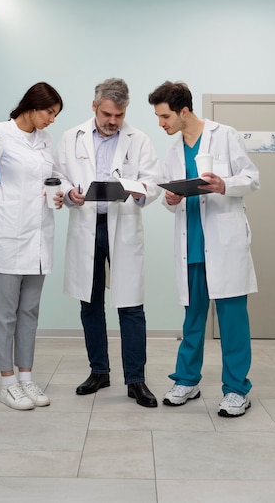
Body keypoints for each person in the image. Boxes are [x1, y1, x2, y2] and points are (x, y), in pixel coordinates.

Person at [148, 80, 259, 417]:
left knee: (232, 321)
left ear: (184, 111)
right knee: (192, 319)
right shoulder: (172, 152)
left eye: (165, 116)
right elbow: (172, 203)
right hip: (191, 246)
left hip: (224, 244)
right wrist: (170, 199)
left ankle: (237, 390)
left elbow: (251, 178)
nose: (161, 123)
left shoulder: (225, 136)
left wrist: (226, 184)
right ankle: (186, 380)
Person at [54, 78, 162, 408]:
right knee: (90, 302)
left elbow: (153, 181)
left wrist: (138, 189)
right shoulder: (71, 137)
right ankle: (99, 371)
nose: (113, 121)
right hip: (88, 224)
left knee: (131, 307)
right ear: (94, 106)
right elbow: (60, 176)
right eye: (107, 114)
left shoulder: (138, 139)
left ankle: (136, 380)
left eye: (119, 114)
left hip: (123, 224)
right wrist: (71, 192)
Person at [0, 81, 64, 410]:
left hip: (39, 237)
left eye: (55, 115)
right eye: (49, 113)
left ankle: (26, 378)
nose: (52, 120)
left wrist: (60, 193)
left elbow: (52, 178)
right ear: (32, 106)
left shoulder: (45, 140)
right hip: (7, 237)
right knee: (4, 314)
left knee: (29, 312)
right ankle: (7, 383)